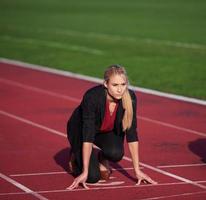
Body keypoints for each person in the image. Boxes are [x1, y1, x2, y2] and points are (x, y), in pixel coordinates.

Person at [67, 64, 157, 190]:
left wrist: (137, 171)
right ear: (105, 84)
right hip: (80, 130)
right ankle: (76, 156)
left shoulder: (130, 97)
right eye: (115, 85)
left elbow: (132, 134)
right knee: (92, 177)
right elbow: (88, 134)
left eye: (123, 84)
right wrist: (85, 171)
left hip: (104, 130)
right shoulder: (92, 97)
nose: (120, 89)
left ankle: (101, 157)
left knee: (116, 153)